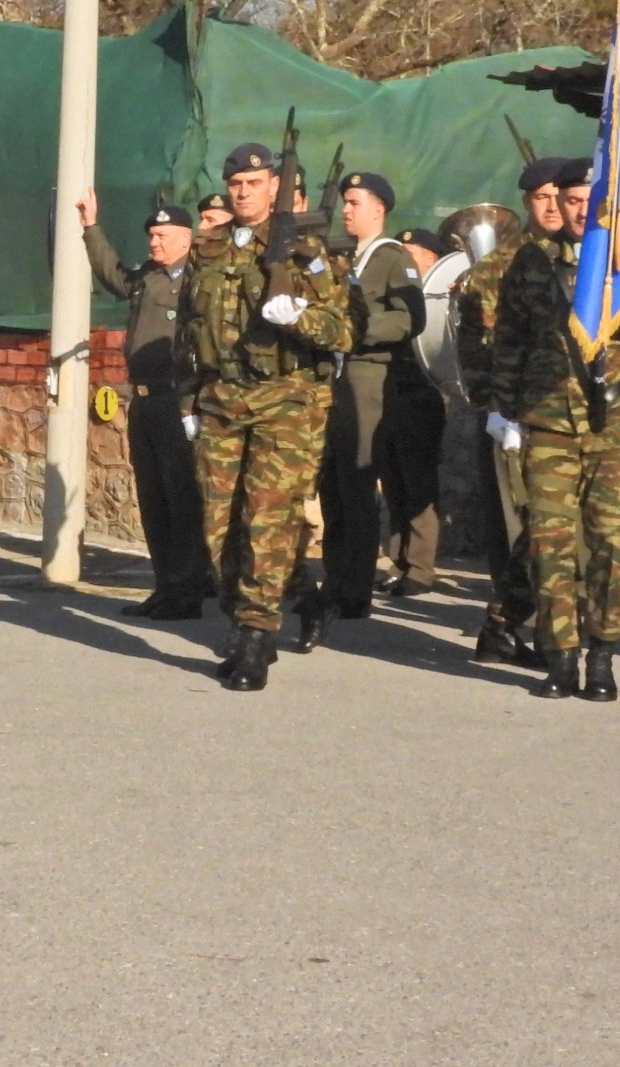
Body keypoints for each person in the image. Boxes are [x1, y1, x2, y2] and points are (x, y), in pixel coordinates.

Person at [487, 159, 620, 701]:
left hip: (615, 428)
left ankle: (602, 655)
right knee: (550, 546)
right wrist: (504, 410)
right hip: (549, 423)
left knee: (611, 544)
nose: (580, 212)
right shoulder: (532, 263)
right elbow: (511, 338)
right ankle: (560, 658)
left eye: (589, 201)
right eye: (572, 202)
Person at [176, 142, 352, 690]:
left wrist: (298, 318)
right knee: (217, 526)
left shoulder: (310, 250)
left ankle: (255, 636)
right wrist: (187, 400)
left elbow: (342, 330)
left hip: (286, 402)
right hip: (221, 400)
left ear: (274, 187)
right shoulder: (207, 249)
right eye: (236, 185)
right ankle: (297, 598)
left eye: (254, 184)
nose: (243, 193)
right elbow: (187, 330)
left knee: (267, 521)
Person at [455, 156, 572, 667]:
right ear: (526, 203)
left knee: (557, 528)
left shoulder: (575, 257)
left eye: (557, 197)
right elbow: (477, 343)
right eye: (541, 198)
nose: (551, 207)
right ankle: (520, 625)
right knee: (526, 528)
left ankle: (510, 624)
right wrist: (496, 409)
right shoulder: (500, 265)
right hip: (513, 420)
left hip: (568, 416)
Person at [81, 191, 210, 618]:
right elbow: (113, 276)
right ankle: (165, 585)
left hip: (177, 399)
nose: (154, 243)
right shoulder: (149, 276)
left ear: (186, 238)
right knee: (152, 499)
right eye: (151, 235)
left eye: (162, 235)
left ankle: (189, 590)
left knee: (181, 499)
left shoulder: (196, 280)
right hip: (144, 400)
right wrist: (91, 227)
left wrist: (196, 404)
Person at [320, 172, 426, 617]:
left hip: (368, 377)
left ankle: (354, 589)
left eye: (355, 202)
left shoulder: (390, 258)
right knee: (333, 486)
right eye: (344, 202)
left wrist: (355, 330)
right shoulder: (342, 258)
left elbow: (409, 318)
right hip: (335, 379)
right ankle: (335, 576)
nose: (346, 210)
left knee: (358, 484)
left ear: (378, 209)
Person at [379, 226, 450, 598]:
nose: (404, 258)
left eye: (413, 252)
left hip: (423, 393)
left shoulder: (438, 298)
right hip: (390, 390)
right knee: (392, 479)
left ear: (432, 261)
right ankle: (398, 560)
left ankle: (421, 567)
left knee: (417, 479)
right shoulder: (397, 295)